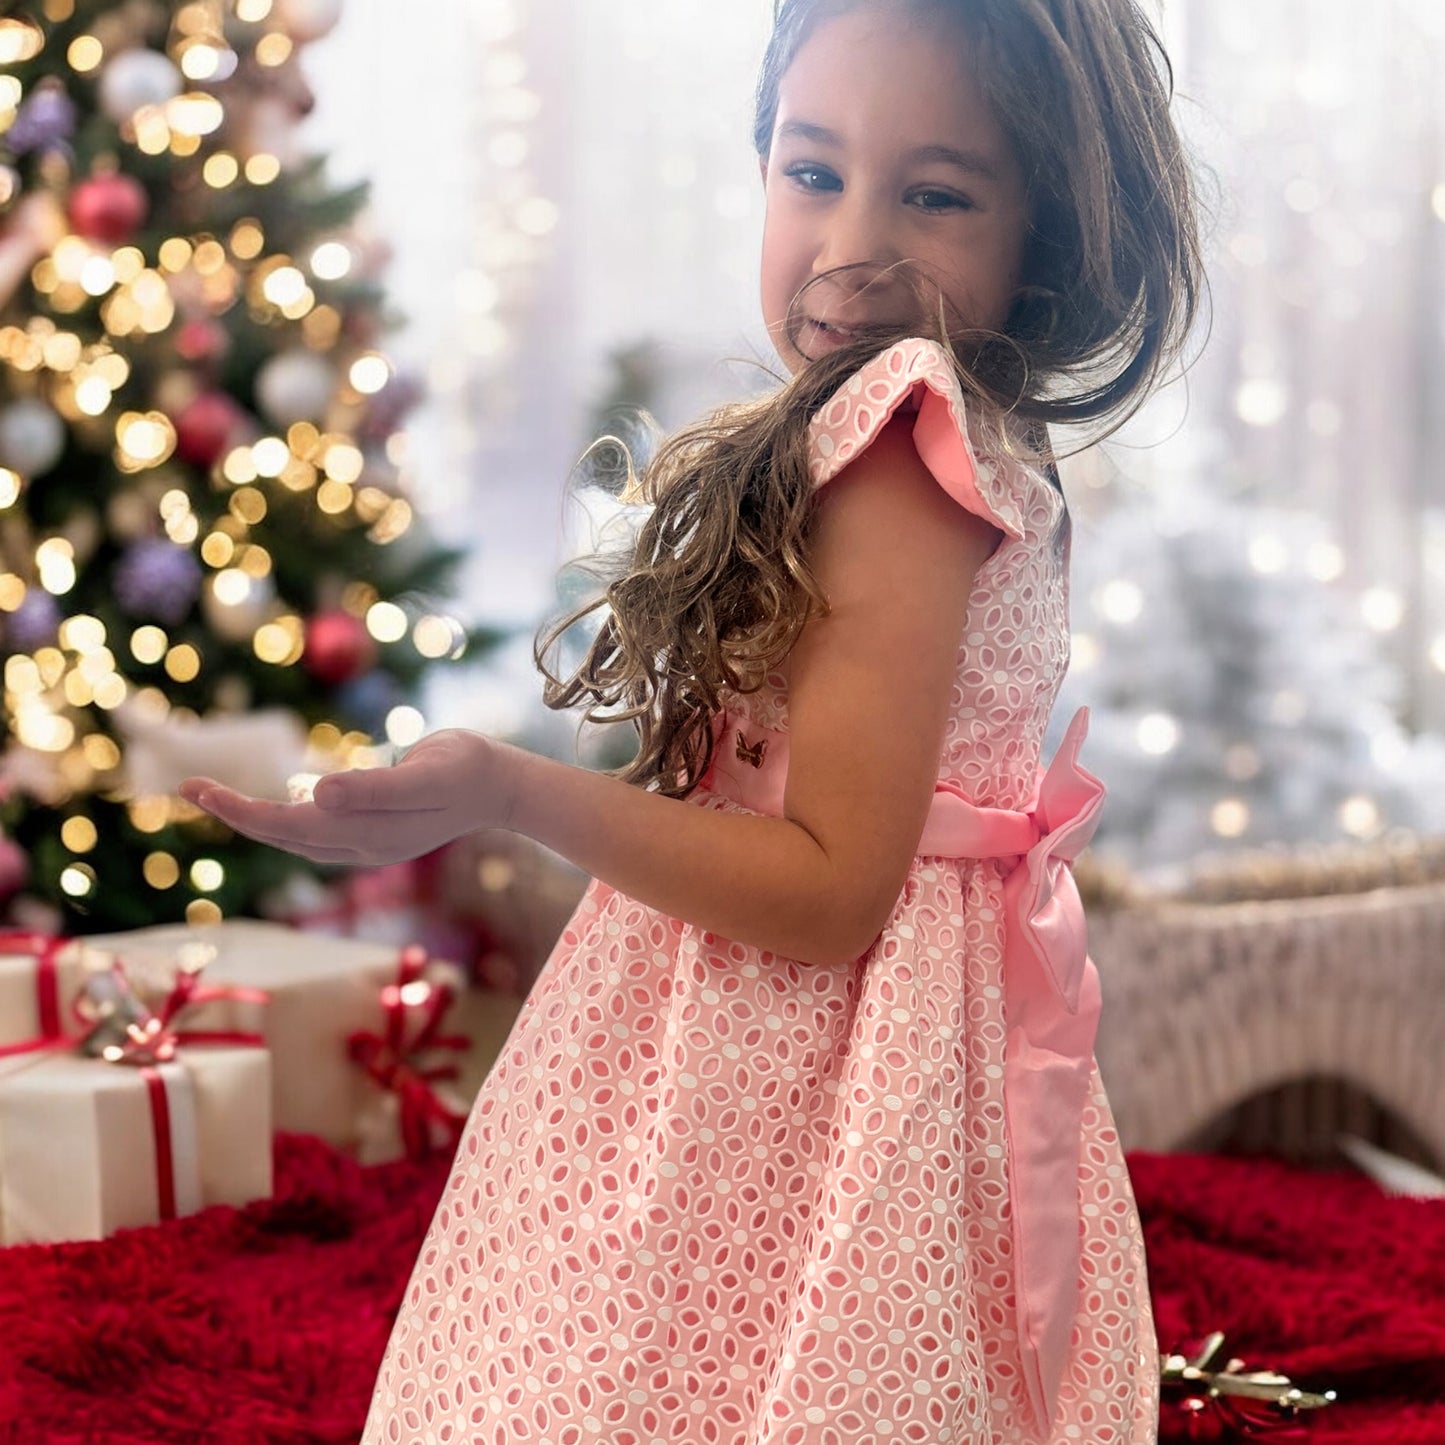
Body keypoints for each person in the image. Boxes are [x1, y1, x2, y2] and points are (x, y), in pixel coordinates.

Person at [183, 0, 1203, 1439]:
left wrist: (509, 787)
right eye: (810, 169)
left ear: (1043, 226)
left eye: (933, 191)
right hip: (880, 1032)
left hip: (814, 1044)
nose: (852, 240)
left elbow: (833, 888)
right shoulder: (936, 419)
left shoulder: (900, 443)